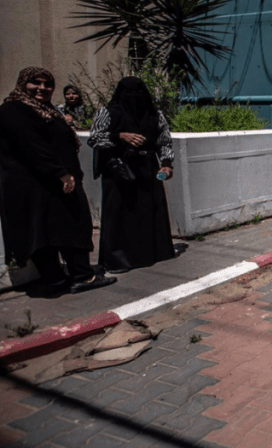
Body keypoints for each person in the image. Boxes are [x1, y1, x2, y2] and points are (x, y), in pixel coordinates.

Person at [0, 68, 116, 294]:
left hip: (50, 183)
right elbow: (31, 145)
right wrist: (60, 172)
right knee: (46, 231)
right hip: (37, 184)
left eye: (48, 84)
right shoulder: (13, 109)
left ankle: (70, 276)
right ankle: (72, 277)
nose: (42, 88)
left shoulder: (44, 110)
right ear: (23, 83)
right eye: (35, 83)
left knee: (63, 228)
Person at [88, 77, 175, 273]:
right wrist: (119, 136)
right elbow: (94, 138)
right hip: (119, 170)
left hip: (147, 168)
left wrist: (167, 164)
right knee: (119, 213)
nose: (133, 98)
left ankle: (151, 254)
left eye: (138, 93)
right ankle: (118, 260)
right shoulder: (108, 112)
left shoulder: (155, 115)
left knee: (148, 211)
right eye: (127, 93)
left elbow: (164, 141)